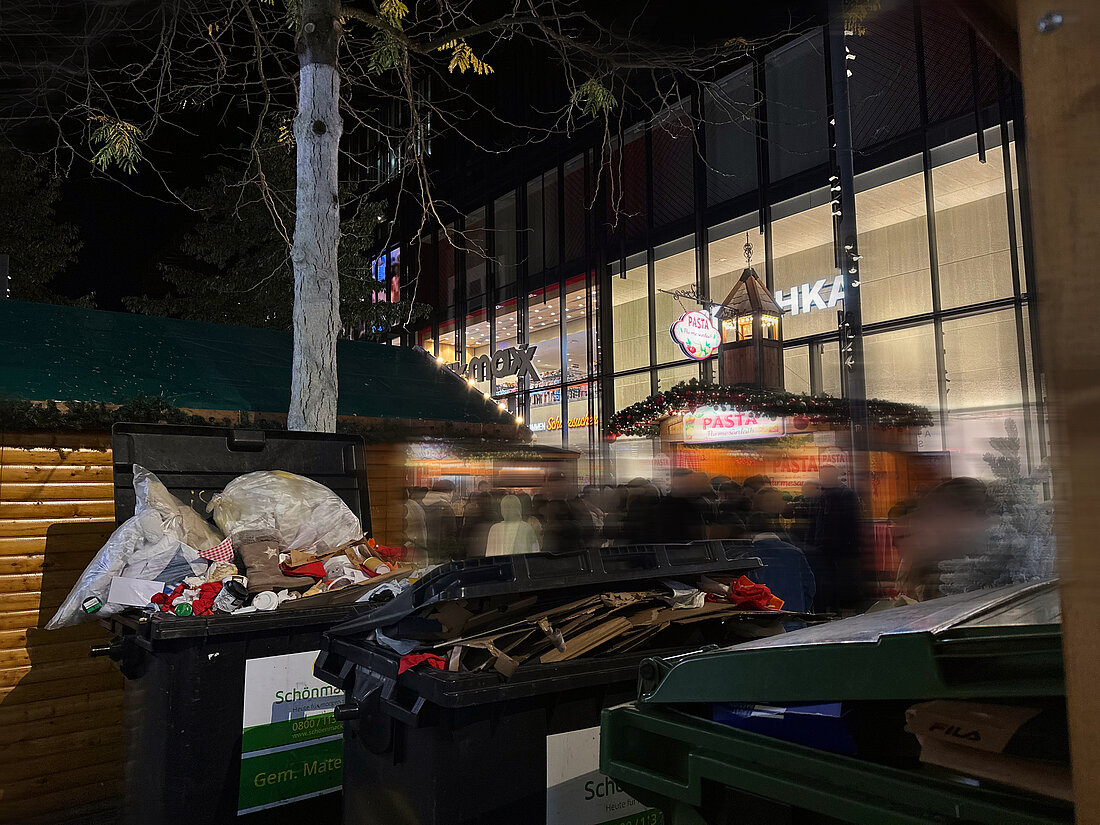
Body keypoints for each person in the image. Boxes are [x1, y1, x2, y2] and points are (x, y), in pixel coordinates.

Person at [812, 465, 864, 613]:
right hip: (824, 547)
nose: (824, 480)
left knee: (843, 583)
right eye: (822, 476)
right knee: (828, 583)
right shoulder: (822, 495)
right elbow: (818, 522)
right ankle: (832, 608)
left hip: (843, 548)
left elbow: (850, 522)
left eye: (827, 476)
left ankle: (843, 609)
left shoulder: (846, 495)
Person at [422, 480, 460, 561]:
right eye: (452, 492)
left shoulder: (423, 505)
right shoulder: (446, 508)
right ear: (449, 493)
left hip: (424, 550)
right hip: (442, 554)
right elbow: (451, 534)